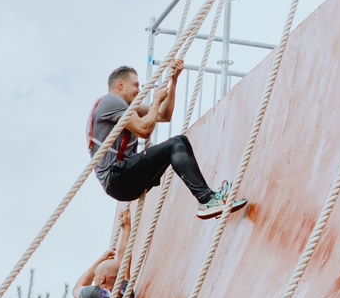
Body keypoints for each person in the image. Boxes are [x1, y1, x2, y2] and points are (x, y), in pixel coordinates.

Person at [88, 57, 246, 219]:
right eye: (135, 85)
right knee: (175, 143)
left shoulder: (126, 107)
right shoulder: (110, 101)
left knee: (181, 141)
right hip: (117, 178)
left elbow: (164, 115)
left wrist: (174, 81)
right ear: (120, 85)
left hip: (124, 181)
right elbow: (143, 130)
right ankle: (207, 200)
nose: (138, 90)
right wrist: (156, 99)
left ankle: (208, 198)